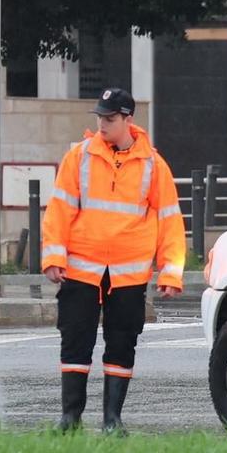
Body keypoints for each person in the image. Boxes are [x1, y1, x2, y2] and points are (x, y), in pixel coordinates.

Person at [41, 88, 186, 433]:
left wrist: (171, 272)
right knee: (75, 338)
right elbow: (59, 209)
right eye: (100, 118)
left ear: (128, 120)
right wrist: (52, 256)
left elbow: (170, 219)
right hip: (81, 268)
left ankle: (112, 420)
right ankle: (69, 418)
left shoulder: (153, 165)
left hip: (129, 273)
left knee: (122, 341)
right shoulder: (79, 157)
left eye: (110, 119)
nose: (102, 124)